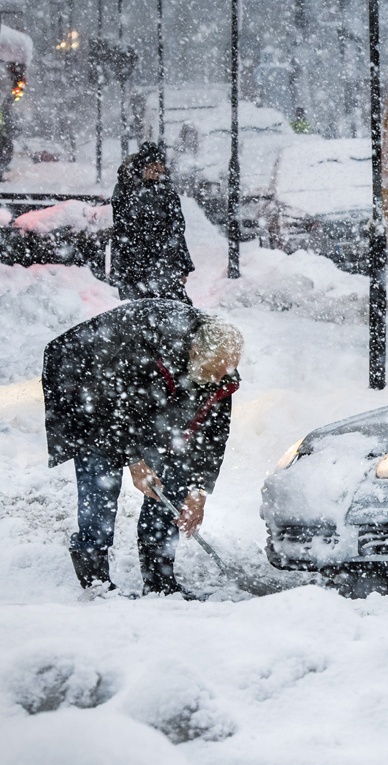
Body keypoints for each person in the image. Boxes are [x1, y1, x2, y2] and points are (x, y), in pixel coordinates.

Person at [42, 300, 242, 597]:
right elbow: (111, 406)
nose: (219, 380)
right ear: (195, 353)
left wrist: (199, 491)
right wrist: (135, 461)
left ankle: (160, 580)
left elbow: (212, 437)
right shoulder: (147, 348)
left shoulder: (218, 371)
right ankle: (96, 581)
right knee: (101, 477)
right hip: (85, 380)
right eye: (213, 372)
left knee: (173, 473)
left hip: (141, 395)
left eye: (224, 372)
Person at [110, 141, 195, 303]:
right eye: (153, 164)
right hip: (135, 265)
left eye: (160, 164)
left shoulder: (166, 191)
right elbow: (123, 225)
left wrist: (184, 265)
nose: (158, 169)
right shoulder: (127, 190)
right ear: (143, 167)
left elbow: (177, 230)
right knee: (139, 311)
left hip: (164, 262)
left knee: (174, 308)